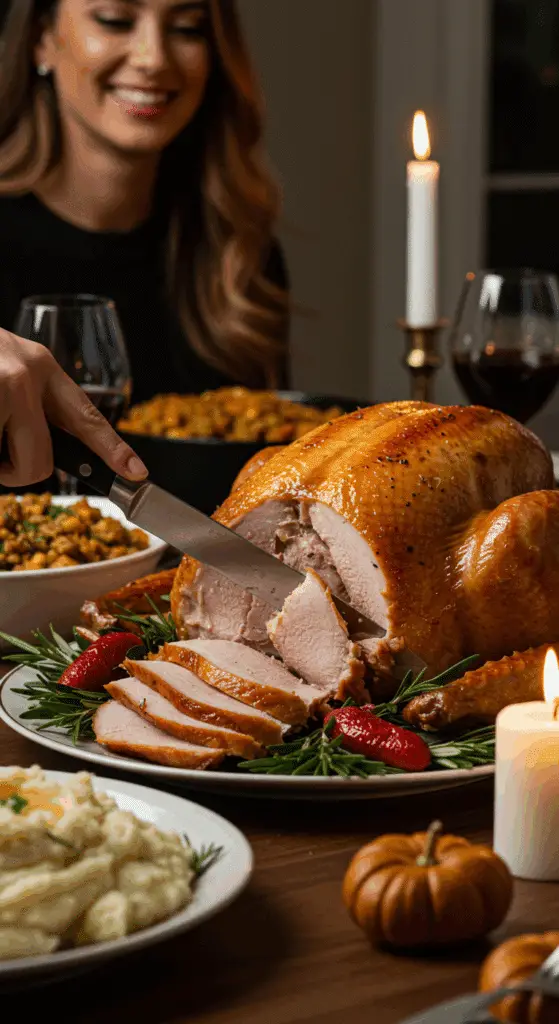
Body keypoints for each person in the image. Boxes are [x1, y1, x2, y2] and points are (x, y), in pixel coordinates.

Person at [0, 0, 289, 488]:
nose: (154, 58)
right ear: (42, 40)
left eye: (188, 28)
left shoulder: (236, 257)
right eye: (115, 20)